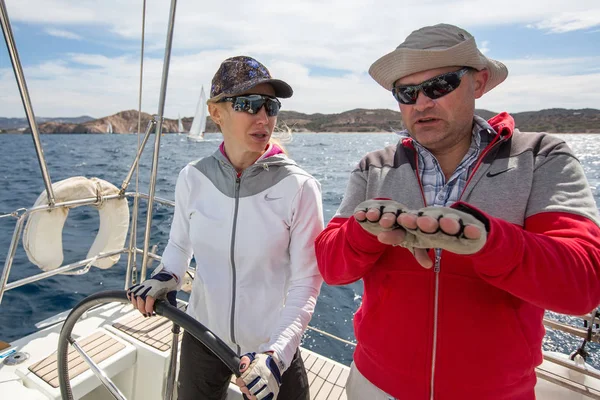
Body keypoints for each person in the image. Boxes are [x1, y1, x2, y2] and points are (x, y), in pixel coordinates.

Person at [314, 23, 600, 400]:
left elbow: (582, 285)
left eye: (439, 86)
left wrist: (490, 241)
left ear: (478, 83)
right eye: (407, 92)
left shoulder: (542, 158)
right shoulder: (374, 167)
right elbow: (331, 268)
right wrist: (361, 231)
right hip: (375, 385)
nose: (421, 103)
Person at [127, 55, 324, 400]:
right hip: (203, 334)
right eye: (248, 104)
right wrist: (166, 276)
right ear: (216, 112)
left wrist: (276, 355)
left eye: (270, 106)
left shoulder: (300, 187)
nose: (263, 117)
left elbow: (306, 283)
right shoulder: (193, 178)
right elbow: (178, 247)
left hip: (271, 347)